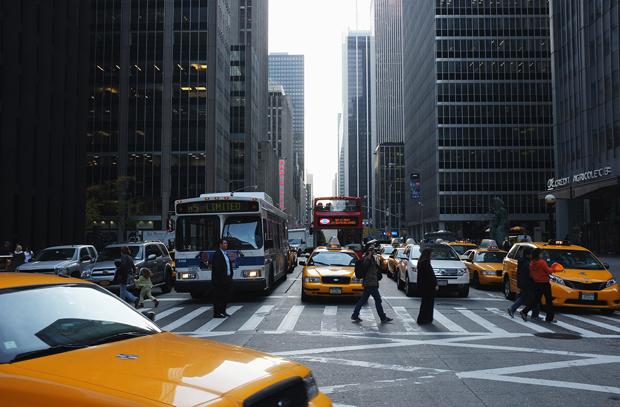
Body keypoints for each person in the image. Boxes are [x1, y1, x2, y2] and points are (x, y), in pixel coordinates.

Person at [351, 246, 393, 323]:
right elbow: (365, 266)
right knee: (378, 300)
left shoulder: (371, 258)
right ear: (369, 251)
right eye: (372, 250)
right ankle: (383, 318)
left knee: (363, 300)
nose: (374, 251)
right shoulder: (368, 258)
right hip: (370, 284)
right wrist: (369, 255)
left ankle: (355, 315)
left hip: (370, 283)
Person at [521, 249, 555, 322]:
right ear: (538, 255)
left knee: (536, 301)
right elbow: (549, 271)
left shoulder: (531, 263)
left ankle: (524, 311)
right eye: (541, 254)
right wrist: (554, 269)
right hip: (545, 284)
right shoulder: (542, 262)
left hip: (536, 284)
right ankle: (549, 318)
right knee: (549, 301)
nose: (542, 255)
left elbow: (531, 275)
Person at [507, 247, 538, 318]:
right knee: (533, 298)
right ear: (527, 255)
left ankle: (534, 314)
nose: (532, 256)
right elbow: (529, 274)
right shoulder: (527, 263)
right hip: (527, 283)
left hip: (524, 283)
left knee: (525, 298)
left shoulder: (523, 261)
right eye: (531, 254)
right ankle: (512, 309)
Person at [211, 239, 234, 318]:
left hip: (227, 279)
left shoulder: (225, 254)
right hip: (220, 280)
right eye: (224, 243)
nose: (226, 244)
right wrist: (222, 278)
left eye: (226, 243)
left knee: (225, 296)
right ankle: (217, 313)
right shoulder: (217, 254)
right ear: (220, 245)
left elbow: (228, 266)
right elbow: (217, 268)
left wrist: (230, 275)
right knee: (218, 297)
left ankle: (223, 311)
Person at [416, 248, 438, 325]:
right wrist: (435, 284)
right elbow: (430, 276)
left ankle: (424, 318)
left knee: (425, 303)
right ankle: (425, 319)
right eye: (430, 254)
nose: (431, 255)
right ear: (428, 255)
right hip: (428, 287)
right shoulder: (426, 263)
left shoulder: (422, 262)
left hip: (424, 286)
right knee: (427, 303)